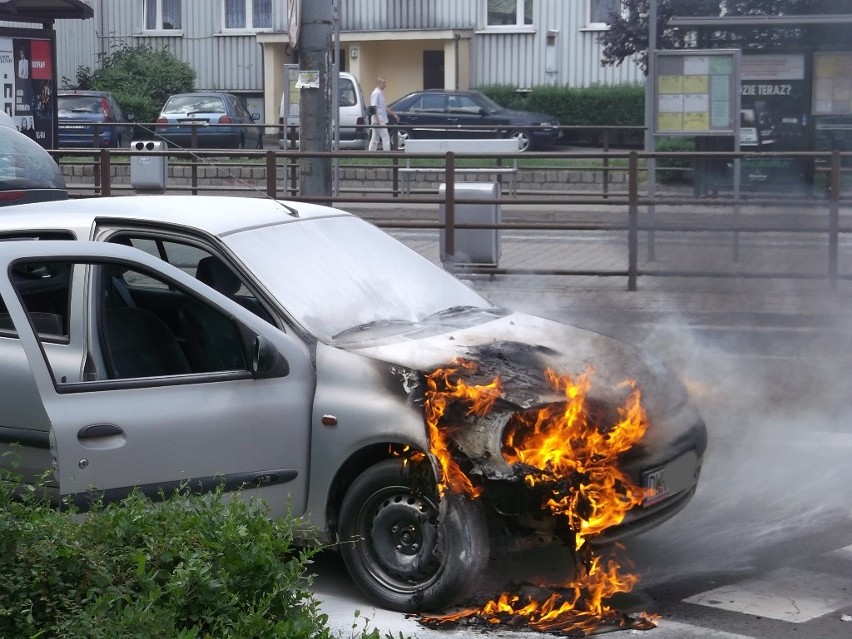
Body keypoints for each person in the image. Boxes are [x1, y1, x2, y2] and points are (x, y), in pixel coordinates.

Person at [368, 77, 399, 151]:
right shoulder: (376, 93)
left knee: (375, 138)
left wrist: (394, 114)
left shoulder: (380, 93)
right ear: (379, 83)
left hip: (380, 119)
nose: (385, 84)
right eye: (384, 83)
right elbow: (373, 107)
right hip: (379, 120)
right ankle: (387, 154)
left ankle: (371, 153)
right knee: (386, 137)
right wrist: (377, 119)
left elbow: (384, 107)